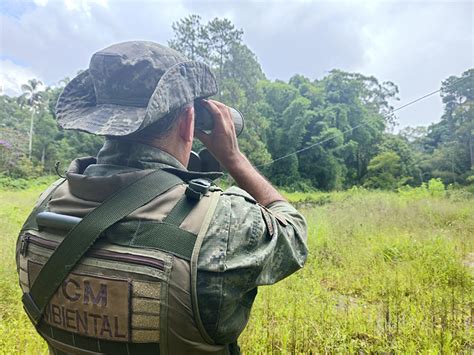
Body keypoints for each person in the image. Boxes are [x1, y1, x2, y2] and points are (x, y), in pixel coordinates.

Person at [16, 41, 308, 354]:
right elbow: (293, 234)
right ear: (188, 124)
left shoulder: (43, 212)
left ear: (101, 121)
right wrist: (233, 157)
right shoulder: (221, 225)